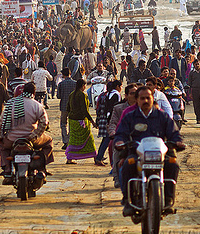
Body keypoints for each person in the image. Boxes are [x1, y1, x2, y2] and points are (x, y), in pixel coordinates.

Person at [115, 86, 185, 216]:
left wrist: (177, 141)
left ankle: (168, 199)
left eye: (148, 98)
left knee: (173, 164)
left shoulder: (162, 116)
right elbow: (121, 134)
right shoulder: (130, 117)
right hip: (137, 153)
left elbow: (174, 133)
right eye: (142, 98)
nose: (145, 100)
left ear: (153, 98)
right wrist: (119, 142)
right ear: (137, 100)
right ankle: (128, 201)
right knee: (126, 166)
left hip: (160, 154)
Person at [0, 82, 54, 184]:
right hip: (31, 140)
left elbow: (1, 122)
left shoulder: (11, 103)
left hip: (12, 139)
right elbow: (44, 123)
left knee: (1, 145)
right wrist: (35, 135)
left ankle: (7, 168)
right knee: (49, 141)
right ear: (34, 92)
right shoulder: (37, 105)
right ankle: (42, 167)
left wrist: (1, 135)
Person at [107, 83, 137, 188]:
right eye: (132, 93)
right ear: (126, 95)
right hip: (124, 138)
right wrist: (113, 134)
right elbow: (113, 123)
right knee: (116, 150)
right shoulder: (119, 109)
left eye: (136, 93)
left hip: (141, 140)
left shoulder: (144, 107)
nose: (134, 96)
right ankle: (116, 177)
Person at [65, 79, 98, 164]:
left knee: (72, 139)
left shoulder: (71, 94)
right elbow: (85, 110)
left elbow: (68, 108)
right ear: (83, 86)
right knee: (89, 138)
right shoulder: (82, 95)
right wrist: (92, 121)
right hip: (81, 120)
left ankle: (69, 158)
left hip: (72, 120)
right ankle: (95, 158)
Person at [58, 68, 77, 150]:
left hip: (64, 107)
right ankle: (70, 140)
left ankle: (65, 141)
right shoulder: (75, 83)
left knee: (63, 124)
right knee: (72, 124)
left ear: (64, 75)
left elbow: (58, 96)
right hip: (73, 107)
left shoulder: (61, 84)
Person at [188, 59, 200, 123]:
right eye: (196, 64)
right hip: (195, 90)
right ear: (194, 65)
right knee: (196, 105)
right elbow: (189, 84)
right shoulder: (191, 73)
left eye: (198, 64)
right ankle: (198, 118)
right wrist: (190, 93)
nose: (197, 65)